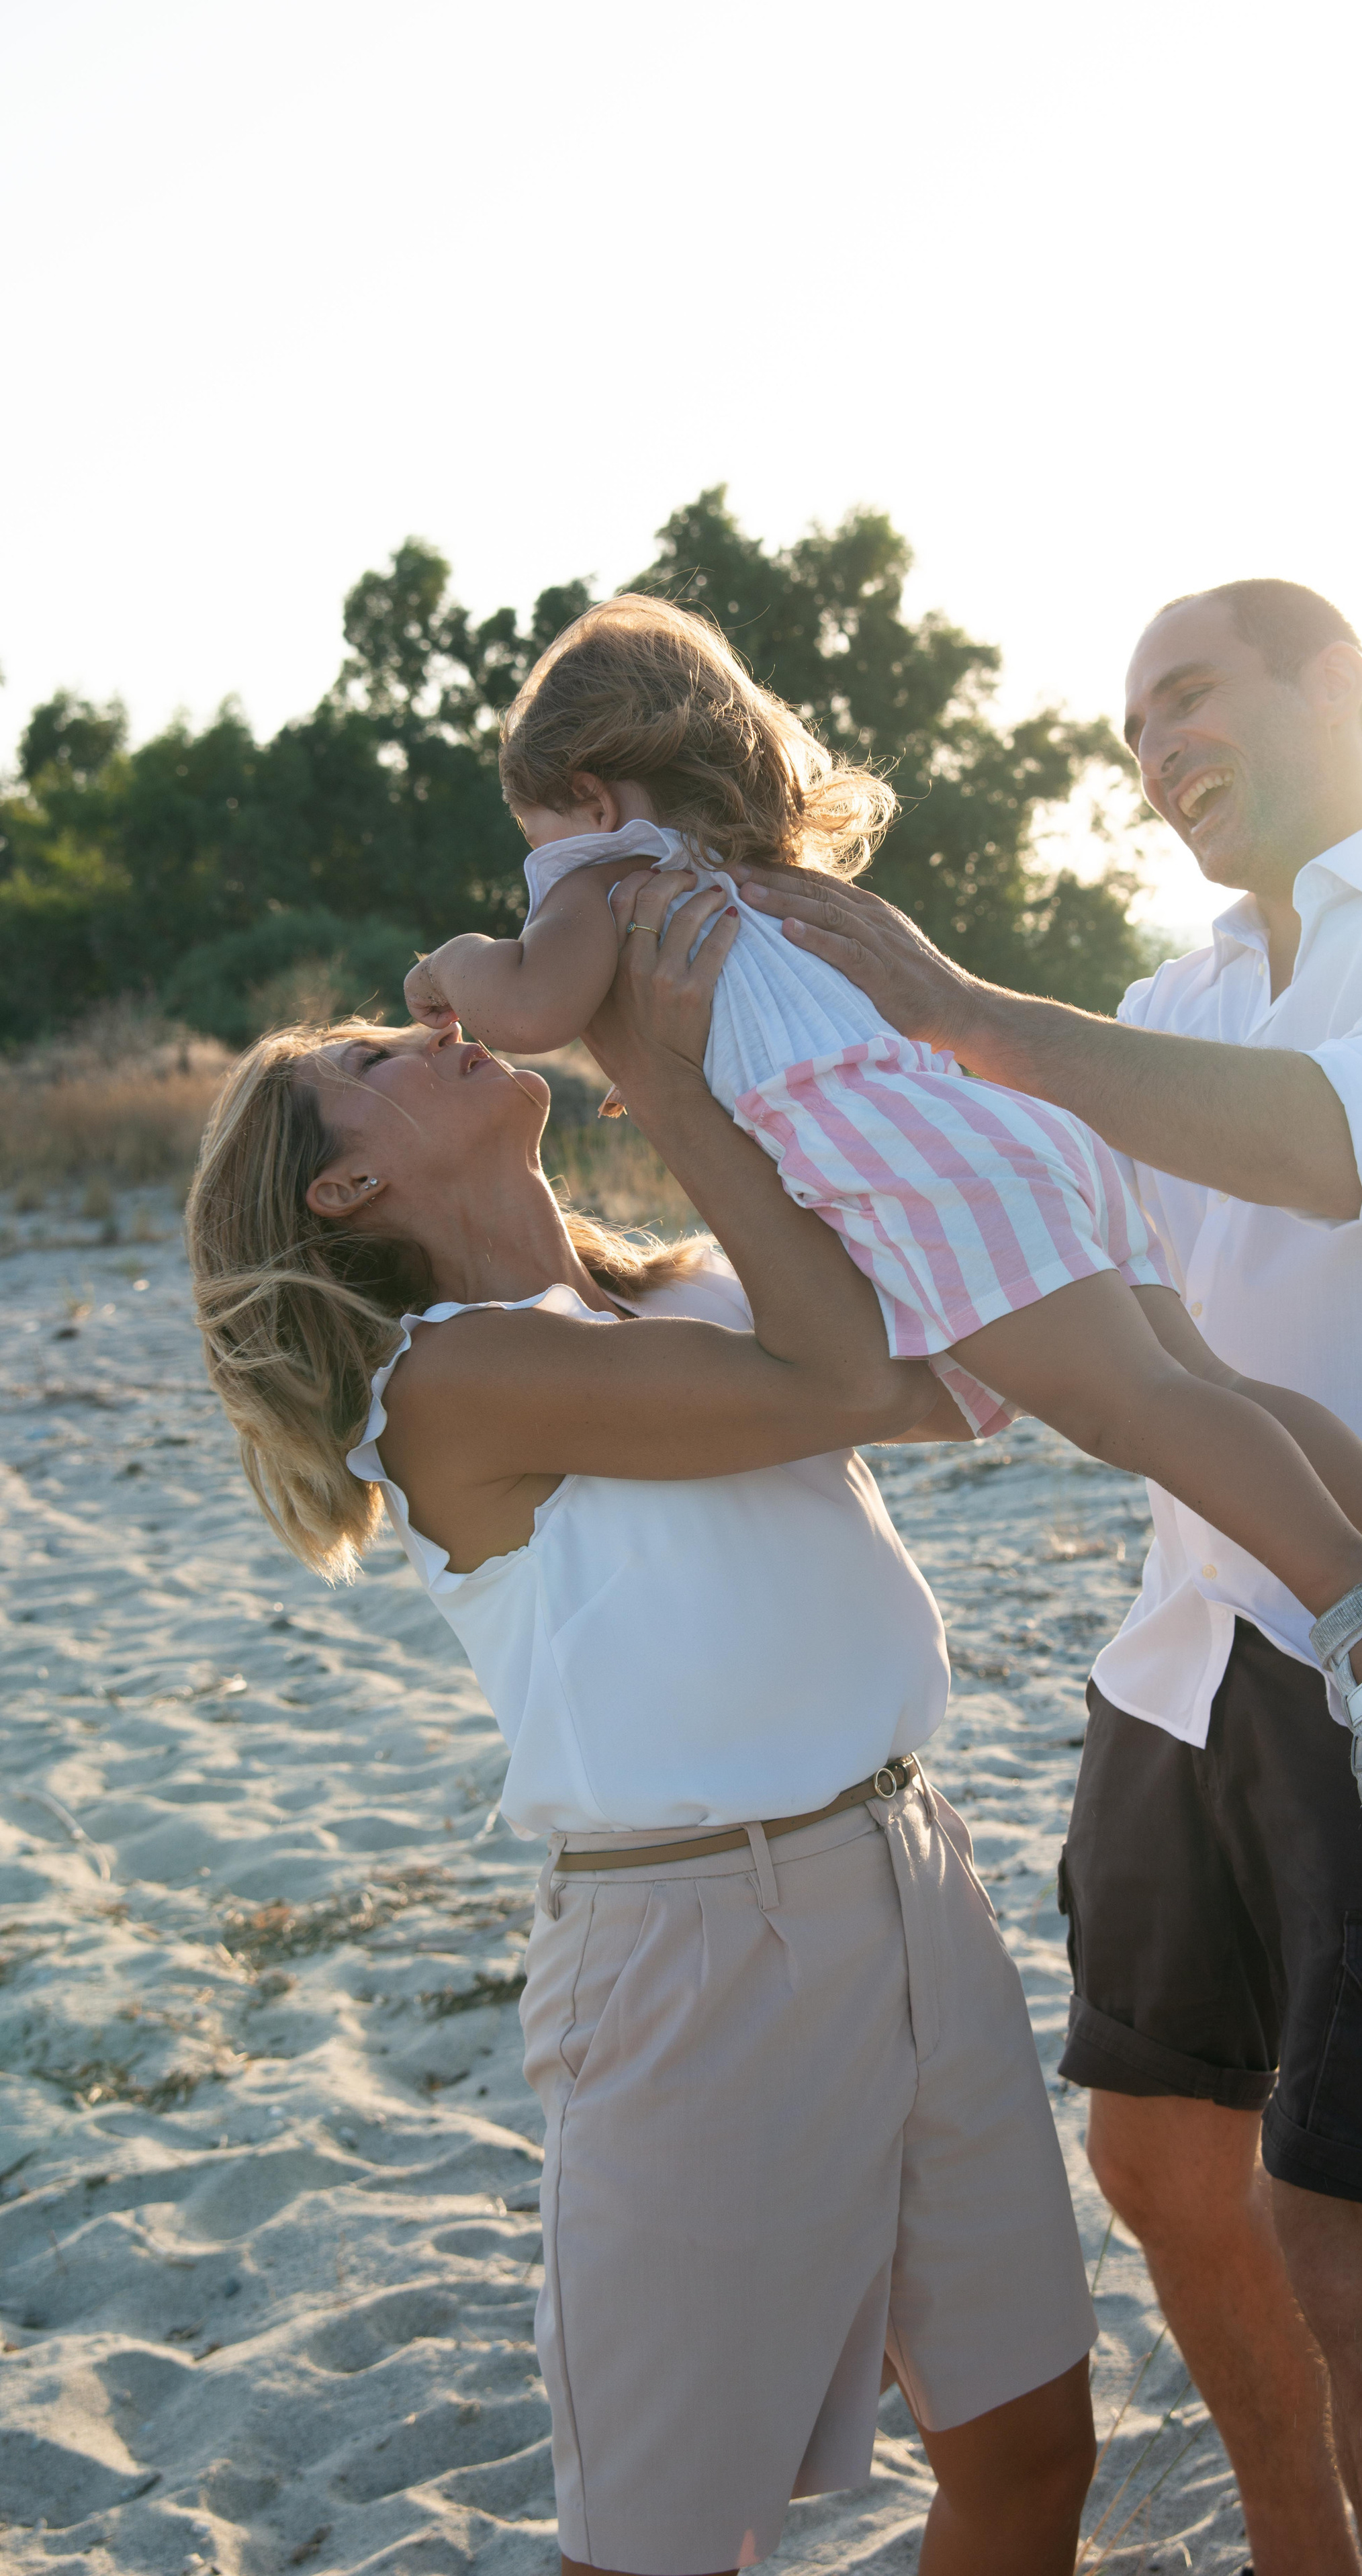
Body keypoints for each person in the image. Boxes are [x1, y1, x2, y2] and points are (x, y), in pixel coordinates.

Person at [728, 578, 1362, 2576]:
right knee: (1155, 2157)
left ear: (1345, 683)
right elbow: (1044, 1279)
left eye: (1191, 697)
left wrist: (964, 1008)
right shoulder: (1170, 1000)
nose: (1155, 755)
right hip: (1183, 1650)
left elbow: (1334, 1145)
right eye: (1134, 726)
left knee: (1353, 2229)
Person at [184, 870, 1101, 2576]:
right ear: (349, 1182)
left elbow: (946, 1386)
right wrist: (662, 1069)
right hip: (697, 1952)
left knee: (1034, 2454)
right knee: (672, 2547)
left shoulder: (676, 1289)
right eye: (383, 1052)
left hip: (915, 1880)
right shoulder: (447, 1387)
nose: (435, 1022)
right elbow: (846, 1382)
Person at [401, 592, 1362, 1827]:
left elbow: (529, 1005)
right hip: (1003, 1134)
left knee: (1138, 1410)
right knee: (1201, 1380)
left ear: (587, 792)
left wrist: (453, 966)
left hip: (925, 1178)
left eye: (534, 830)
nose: (537, 866)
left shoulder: (601, 875)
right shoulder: (749, 885)